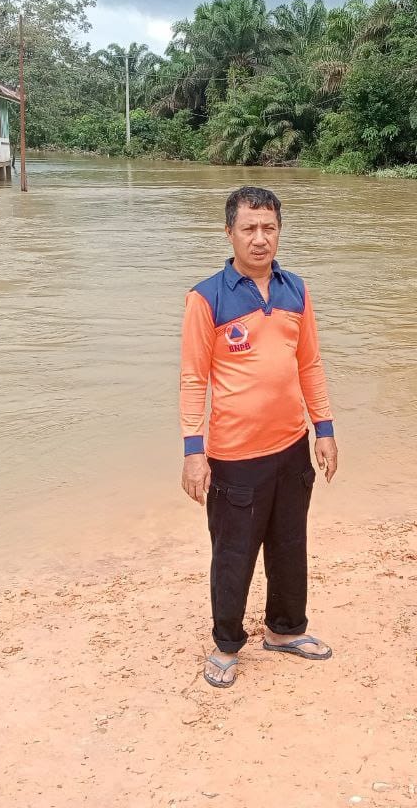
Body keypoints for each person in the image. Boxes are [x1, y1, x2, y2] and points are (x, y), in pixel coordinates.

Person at [179, 186, 339, 688]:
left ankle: (285, 629)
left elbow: (309, 364)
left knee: (290, 544)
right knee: (233, 552)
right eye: (249, 228)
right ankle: (227, 643)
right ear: (229, 233)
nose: (260, 238)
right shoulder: (207, 297)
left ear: (279, 232)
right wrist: (193, 452)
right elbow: (192, 379)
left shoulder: (297, 290)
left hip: (292, 446)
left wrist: (324, 429)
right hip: (234, 455)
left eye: (269, 227)